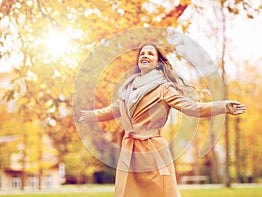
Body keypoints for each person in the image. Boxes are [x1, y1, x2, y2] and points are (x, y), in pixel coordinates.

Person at [79, 44, 246, 197]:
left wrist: (222, 106)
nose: (144, 56)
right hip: (130, 152)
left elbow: (192, 108)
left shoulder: (164, 89)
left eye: (150, 53)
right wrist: (90, 115)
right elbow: (113, 109)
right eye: (142, 54)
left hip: (153, 152)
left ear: (158, 62)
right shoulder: (129, 90)